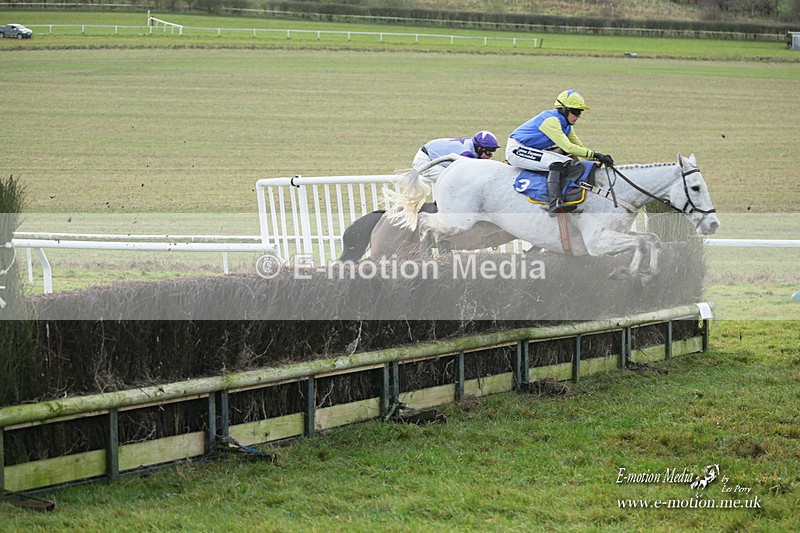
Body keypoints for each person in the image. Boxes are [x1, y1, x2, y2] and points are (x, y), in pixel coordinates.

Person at [505, 90, 614, 216]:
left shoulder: (567, 126)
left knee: (568, 162)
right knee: (556, 163)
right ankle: (554, 203)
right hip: (517, 149)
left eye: (580, 112)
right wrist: (595, 154)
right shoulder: (551, 120)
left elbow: (578, 147)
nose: (578, 116)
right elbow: (568, 147)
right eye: (576, 112)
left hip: (531, 149)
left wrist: (598, 158)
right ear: (564, 110)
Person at [412, 131, 500, 179]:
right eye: (488, 152)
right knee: (451, 180)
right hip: (425, 161)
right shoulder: (466, 154)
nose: (490, 156)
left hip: (433, 158)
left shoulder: (472, 145)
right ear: (479, 149)